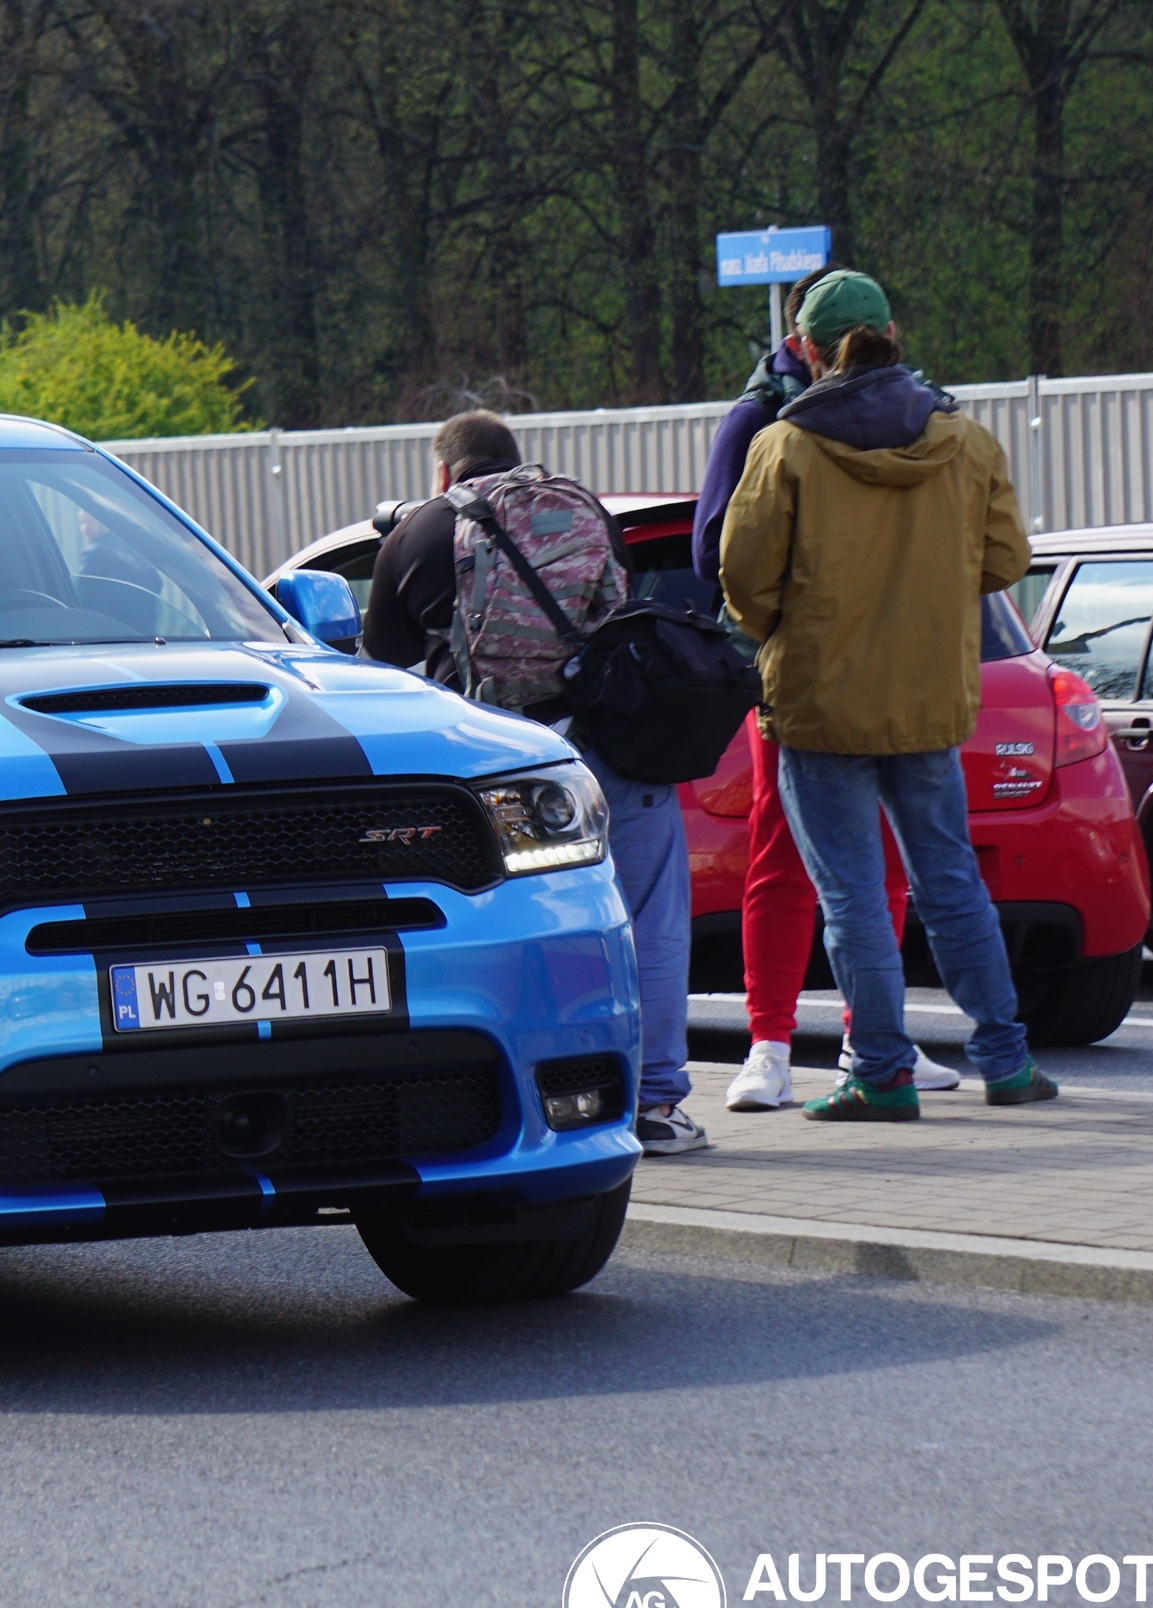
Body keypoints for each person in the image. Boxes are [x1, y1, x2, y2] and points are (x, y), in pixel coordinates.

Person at [720, 270, 1057, 1121]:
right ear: (894, 333)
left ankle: (880, 1070)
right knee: (950, 883)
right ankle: (1007, 1061)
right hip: (928, 698)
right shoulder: (966, 440)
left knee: (853, 898)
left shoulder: (786, 446)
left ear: (806, 349)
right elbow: (1007, 559)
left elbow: (741, 580)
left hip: (821, 704)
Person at [367, 410, 706, 1155]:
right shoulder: (580, 505)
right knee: (651, 921)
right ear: (519, 460)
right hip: (612, 745)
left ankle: (557, 1106)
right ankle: (658, 1104)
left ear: (443, 472)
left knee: (524, 930)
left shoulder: (419, 532)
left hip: (504, 770)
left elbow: (384, 659)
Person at [692, 267, 956, 1109]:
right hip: (825, 672)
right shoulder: (780, 417)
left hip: (851, 664)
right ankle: (784, 1041)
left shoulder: (884, 416)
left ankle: (859, 1038)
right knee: (805, 850)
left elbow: (714, 556)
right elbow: (715, 553)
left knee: (857, 854)